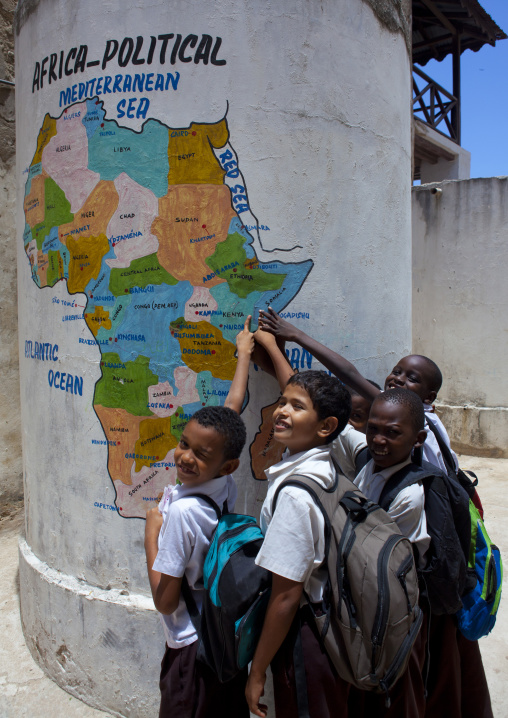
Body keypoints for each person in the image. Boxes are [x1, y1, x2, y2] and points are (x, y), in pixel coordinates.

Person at [245, 370, 353, 718]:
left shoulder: (295, 494)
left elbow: (287, 594)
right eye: (282, 401)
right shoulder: (328, 469)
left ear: (325, 426)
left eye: (297, 406)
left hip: (306, 639)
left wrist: (257, 670)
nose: (282, 411)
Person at [144, 406, 250, 718]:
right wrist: (243, 355)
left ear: (228, 465)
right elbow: (228, 413)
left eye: (201, 454)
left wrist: (151, 536)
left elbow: (165, 602)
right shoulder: (225, 486)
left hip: (192, 648)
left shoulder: (183, 513)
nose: (186, 457)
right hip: (223, 638)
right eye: (184, 443)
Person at [257, 307, 456, 473]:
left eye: (412, 379)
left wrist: (296, 335)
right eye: (396, 371)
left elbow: (348, 374)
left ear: (429, 397)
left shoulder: (408, 414)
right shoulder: (430, 419)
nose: (398, 379)